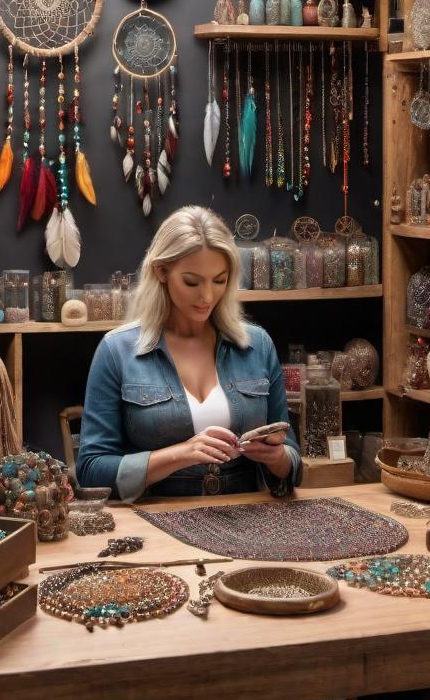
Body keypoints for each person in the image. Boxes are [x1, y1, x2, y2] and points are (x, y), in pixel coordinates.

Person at [77, 205, 301, 502]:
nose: (207, 296)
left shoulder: (257, 345)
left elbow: (295, 466)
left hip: (250, 522)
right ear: (161, 272)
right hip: (155, 525)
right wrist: (181, 454)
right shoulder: (117, 350)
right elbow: (91, 471)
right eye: (192, 282)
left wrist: (276, 458)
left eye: (219, 280)